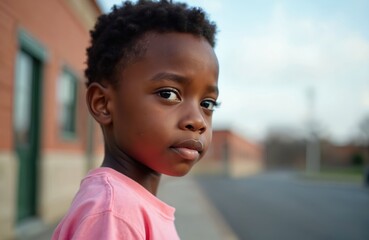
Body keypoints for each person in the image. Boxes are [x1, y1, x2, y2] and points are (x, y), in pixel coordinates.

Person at [52, 0, 219, 239]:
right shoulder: (114, 213)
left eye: (207, 104)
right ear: (103, 104)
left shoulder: (128, 206)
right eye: (168, 94)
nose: (198, 121)